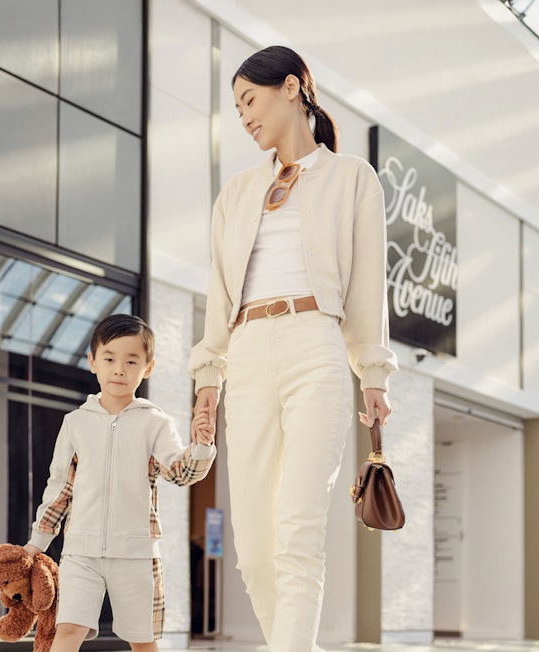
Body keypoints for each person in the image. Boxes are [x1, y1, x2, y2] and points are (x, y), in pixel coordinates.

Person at [188, 45, 398, 652]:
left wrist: (374, 376)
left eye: (250, 101)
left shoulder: (352, 177)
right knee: (254, 551)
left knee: (298, 534)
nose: (244, 117)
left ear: (290, 88)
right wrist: (208, 383)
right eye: (236, 109)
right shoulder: (235, 194)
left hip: (317, 349)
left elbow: (367, 287)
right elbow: (218, 297)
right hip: (249, 355)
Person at [23, 313, 216, 652]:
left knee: (143, 643)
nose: (119, 369)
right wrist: (37, 542)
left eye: (131, 361)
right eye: (110, 358)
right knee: (67, 631)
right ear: (92, 362)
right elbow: (59, 489)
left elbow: (181, 473)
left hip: (137, 554)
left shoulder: (156, 423)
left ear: (148, 367)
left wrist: (201, 445)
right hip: (81, 550)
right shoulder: (75, 423)